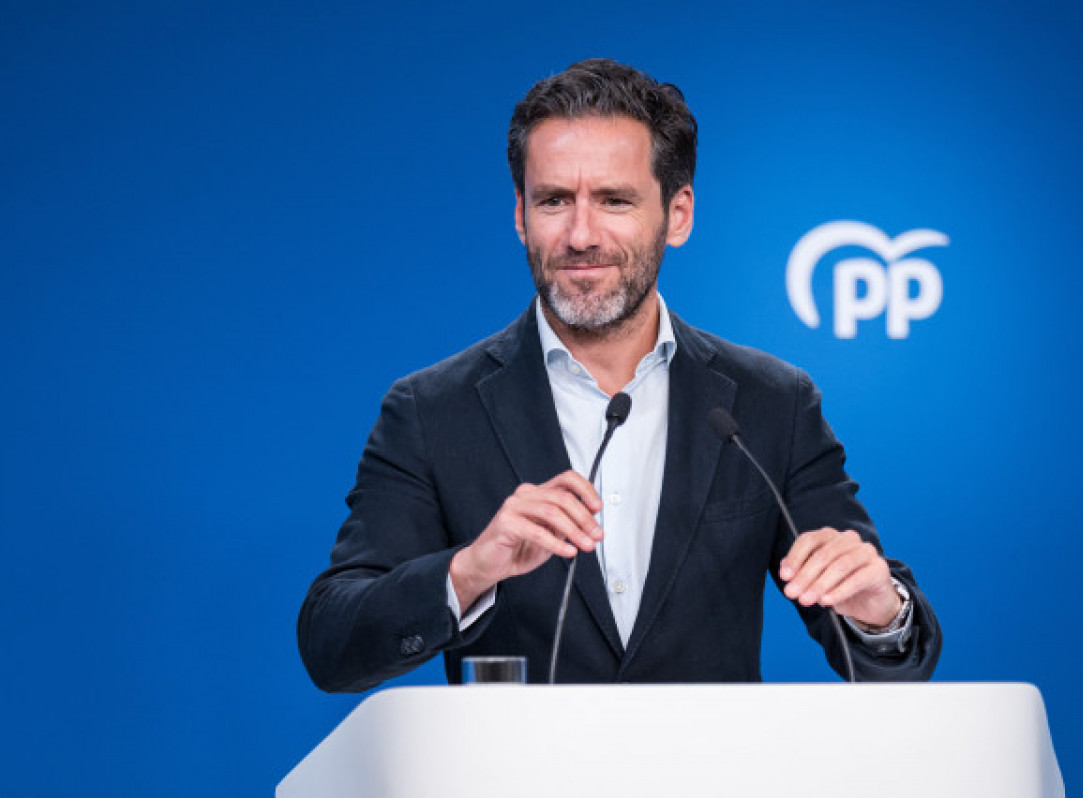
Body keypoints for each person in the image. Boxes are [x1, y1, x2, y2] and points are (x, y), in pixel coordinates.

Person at [298, 59, 941, 690]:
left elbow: (895, 662)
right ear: (521, 216)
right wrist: (467, 572)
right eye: (554, 200)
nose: (581, 235)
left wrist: (878, 611)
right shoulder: (432, 410)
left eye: (614, 200)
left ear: (677, 214)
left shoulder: (772, 402)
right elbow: (332, 642)